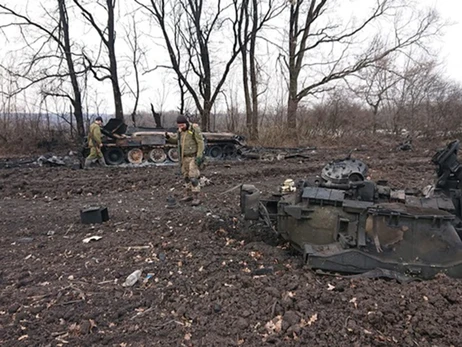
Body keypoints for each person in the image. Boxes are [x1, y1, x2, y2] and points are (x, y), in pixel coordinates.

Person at [165, 115, 205, 206]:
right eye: (179, 126)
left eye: (182, 125)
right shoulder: (180, 131)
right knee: (186, 176)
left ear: (186, 123)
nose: (181, 127)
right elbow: (176, 140)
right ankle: (188, 195)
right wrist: (168, 137)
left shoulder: (194, 129)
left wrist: (199, 156)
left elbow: (200, 142)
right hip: (184, 158)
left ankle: (196, 197)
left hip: (193, 157)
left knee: (193, 177)